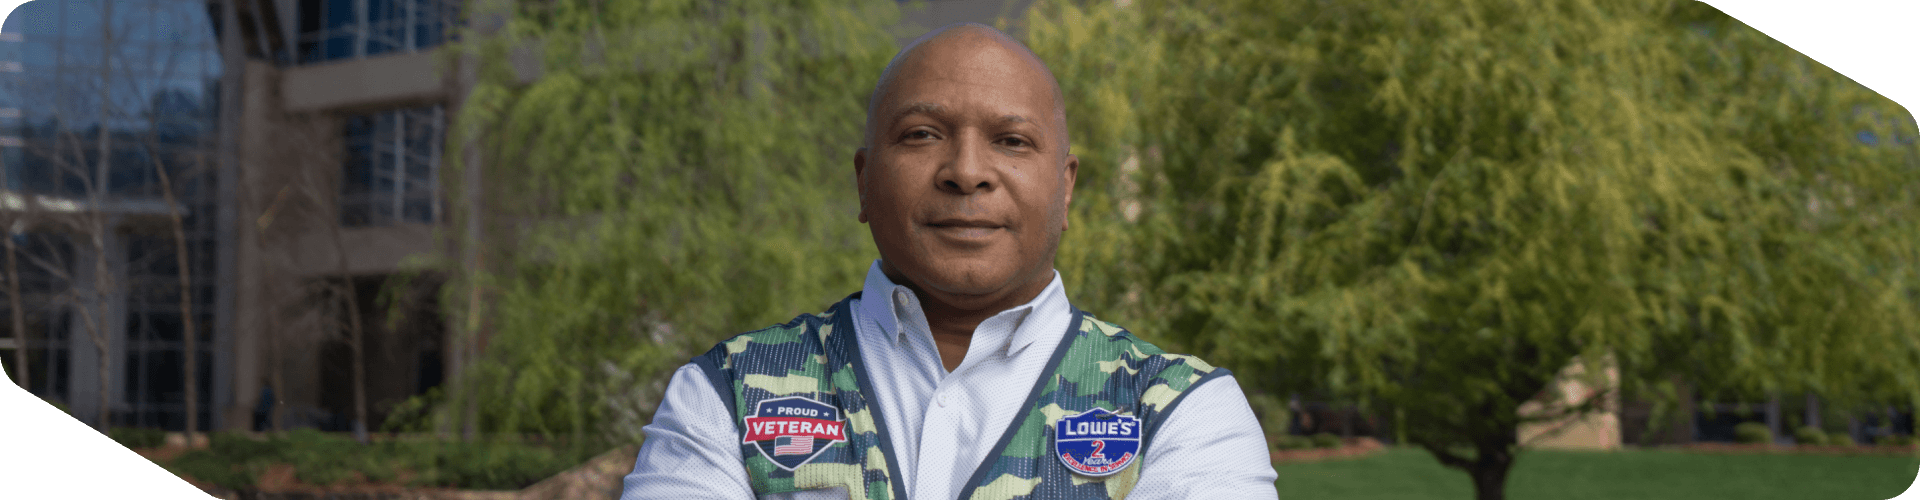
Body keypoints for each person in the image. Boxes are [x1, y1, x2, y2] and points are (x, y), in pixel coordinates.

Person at [621, 23, 1279, 500]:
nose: (966, 173)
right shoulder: (727, 393)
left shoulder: (1179, 410)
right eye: (922, 135)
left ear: (1066, 187)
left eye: (1011, 140)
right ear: (863, 181)